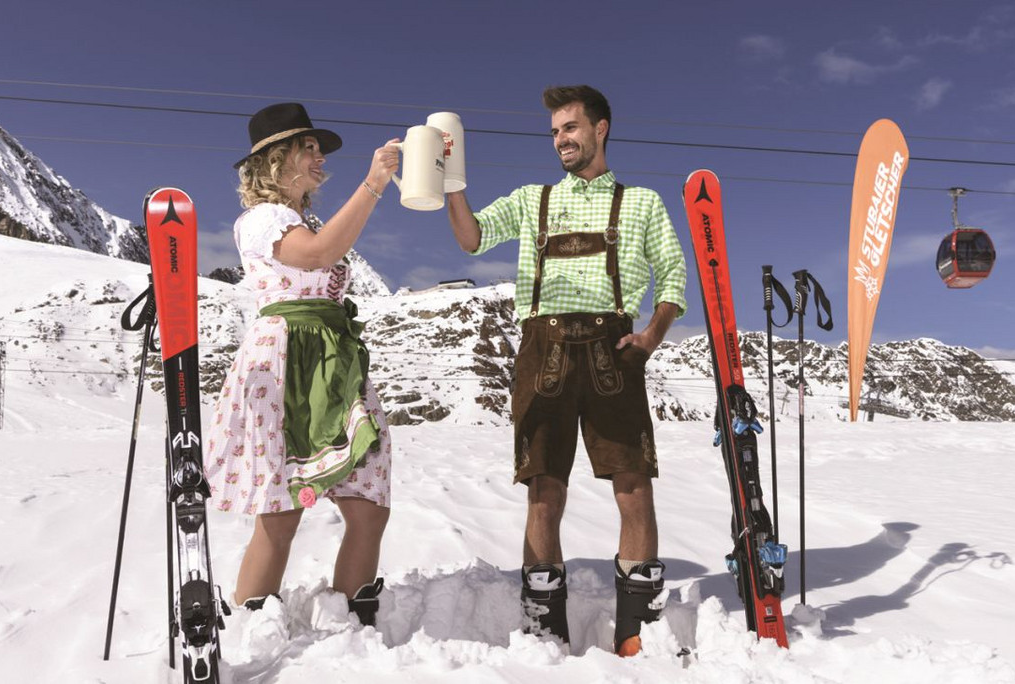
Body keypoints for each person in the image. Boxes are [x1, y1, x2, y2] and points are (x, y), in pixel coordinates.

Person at [445, 85, 687, 655]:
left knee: (633, 486)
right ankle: (544, 632)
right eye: (555, 131)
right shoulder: (532, 199)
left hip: (614, 353)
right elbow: (472, 238)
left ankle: (637, 633)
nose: (561, 140)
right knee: (543, 489)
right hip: (543, 350)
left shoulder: (642, 203)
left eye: (571, 128)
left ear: (601, 129)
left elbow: (673, 273)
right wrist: (451, 181)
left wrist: (650, 337)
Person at [205, 102, 399, 627]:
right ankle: (252, 628)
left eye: (317, 148)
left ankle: (351, 620)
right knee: (282, 511)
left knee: (369, 502)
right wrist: (374, 184)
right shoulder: (262, 220)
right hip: (288, 359)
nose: (319, 157)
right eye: (307, 147)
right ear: (275, 159)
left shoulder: (299, 219)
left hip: (332, 358)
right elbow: (315, 255)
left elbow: (319, 250)